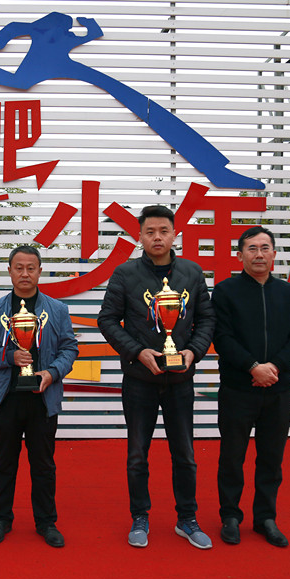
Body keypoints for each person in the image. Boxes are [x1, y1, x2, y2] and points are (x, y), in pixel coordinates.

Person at [97, 205, 215, 550]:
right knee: (137, 454)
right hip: (139, 379)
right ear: (140, 236)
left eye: (164, 230)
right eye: (150, 232)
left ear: (175, 234)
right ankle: (140, 517)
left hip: (180, 380)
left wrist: (193, 352)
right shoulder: (124, 273)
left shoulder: (192, 272)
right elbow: (107, 320)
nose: (157, 237)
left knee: (185, 454)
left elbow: (207, 318)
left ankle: (187, 519)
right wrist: (137, 352)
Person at [0, 246, 78, 548]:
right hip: (6, 398)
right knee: (4, 463)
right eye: (18, 268)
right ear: (9, 271)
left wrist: (52, 373)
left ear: (40, 271)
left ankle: (46, 521)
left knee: (43, 464)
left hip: (42, 398)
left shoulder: (57, 310)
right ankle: (1, 519)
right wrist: (8, 356)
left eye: (31, 268)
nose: (25, 274)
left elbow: (70, 348)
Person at [212, 226, 290, 547]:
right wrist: (253, 367)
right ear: (240, 255)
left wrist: (275, 368)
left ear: (274, 254)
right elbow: (222, 337)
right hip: (238, 389)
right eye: (251, 248)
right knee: (232, 456)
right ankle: (230, 516)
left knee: (271, 458)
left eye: (265, 248)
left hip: (278, 390)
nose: (259, 254)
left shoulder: (288, 293)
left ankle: (265, 517)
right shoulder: (225, 291)